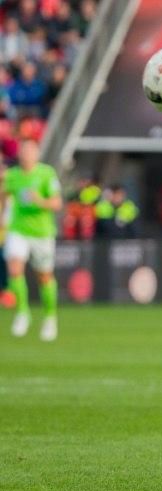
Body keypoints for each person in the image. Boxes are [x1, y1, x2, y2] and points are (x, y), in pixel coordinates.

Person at [0, 139, 62, 341]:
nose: (27, 154)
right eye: (24, 151)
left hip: (42, 233)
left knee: (44, 276)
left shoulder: (46, 174)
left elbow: (57, 203)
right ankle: (22, 312)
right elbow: (4, 195)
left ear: (37, 154)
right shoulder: (13, 176)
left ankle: (50, 318)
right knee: (15, 268)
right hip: (18, 230)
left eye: (30, 151)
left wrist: (40, 201)